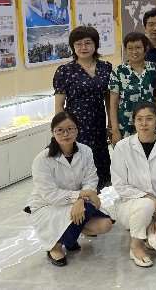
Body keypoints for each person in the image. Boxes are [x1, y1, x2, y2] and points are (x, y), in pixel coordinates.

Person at [28, 112, 113, 267]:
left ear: (77, 130)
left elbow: (91, 179)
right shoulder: (42, 159)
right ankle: (55, 246)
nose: (66, 134)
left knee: (105, 224)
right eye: (60, 130)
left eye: (70, 129)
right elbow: (50, 194)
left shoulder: (85, 151)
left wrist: (80, 200)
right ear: (53, 132)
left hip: (80, 201)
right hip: (49, 205)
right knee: (83, 210)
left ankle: (70, 236)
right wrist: (80, 196)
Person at [111, 102, 156, 267]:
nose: (143, 123)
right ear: (134, 121)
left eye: (149, 119)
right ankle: (136, 246)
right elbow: (119, 185)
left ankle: (144, 231)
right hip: (130, 204)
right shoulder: (122, 147)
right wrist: (149, 198)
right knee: (146, 204)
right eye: (139, 119)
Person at [54, 26, 113, 187]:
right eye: (78, 44)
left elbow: (109, 99)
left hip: (98, 122)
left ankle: (103, 192)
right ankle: (83, 194)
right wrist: (62, 129)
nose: (83, 47)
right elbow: (59, 105)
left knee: (100, 157)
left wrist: (111, 123)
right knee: (80, 159)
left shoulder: (105, 67)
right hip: (75, 124)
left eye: (88, 43)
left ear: (96, 45)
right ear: (73, 47)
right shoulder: (65, 71)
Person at [109, 32, 156, 144]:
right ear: (125, 50)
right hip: (126, 126)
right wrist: (115, 130)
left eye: (138, 47)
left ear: (145, 49)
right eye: (130, 48)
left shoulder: (155, 69)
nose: (134, 52)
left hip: (150, 125)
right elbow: (113, 104)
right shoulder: (118, 72)